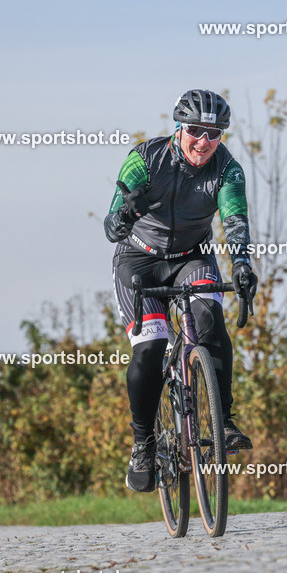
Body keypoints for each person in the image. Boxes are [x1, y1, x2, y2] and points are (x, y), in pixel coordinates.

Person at [104, 89, 258, 492]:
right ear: (179, 128)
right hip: (138, 259)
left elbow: (235, 221)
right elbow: (110, 227)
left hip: (191, 257)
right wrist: (125, 214)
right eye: (195, 131)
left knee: (209, 318)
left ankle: (222, 422)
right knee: (151, 345)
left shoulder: (228, 169)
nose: (204, 142)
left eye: (214, 133)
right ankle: (143, 444)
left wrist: (241, 264)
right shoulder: (146, 158)